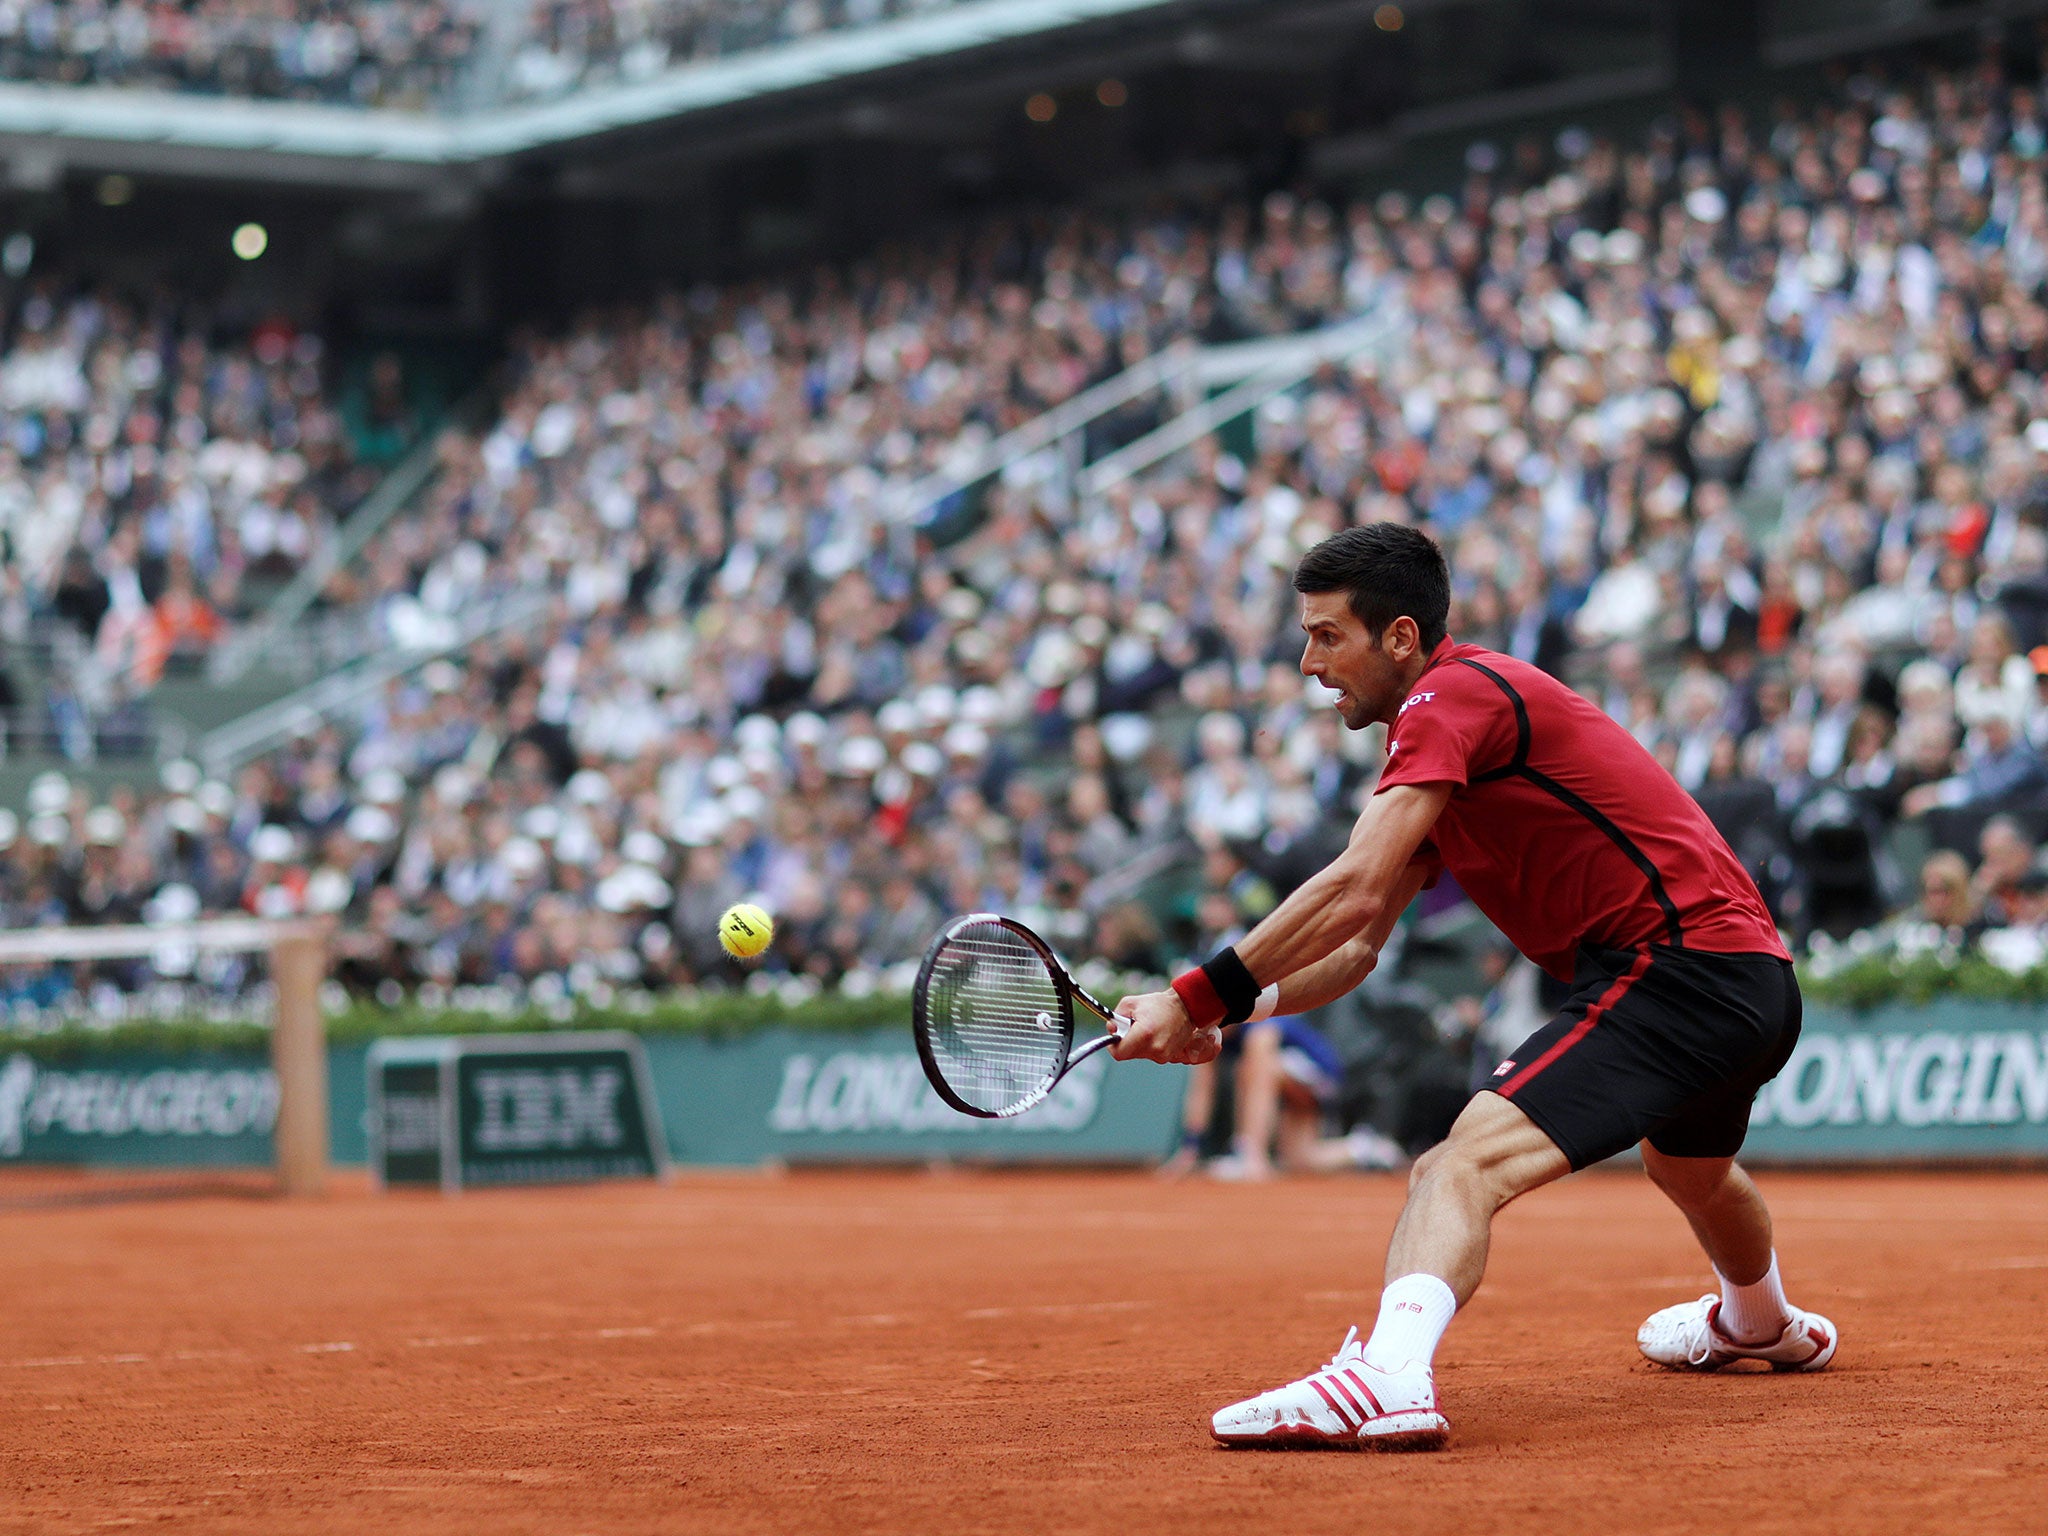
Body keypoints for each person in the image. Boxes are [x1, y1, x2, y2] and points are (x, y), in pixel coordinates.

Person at [1111, 524, 1833, 1451]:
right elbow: (1360, 946)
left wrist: (1193, 995)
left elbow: (1350, 884)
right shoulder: (1449, 736)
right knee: (1686, 1167)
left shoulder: (1454, 696)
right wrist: (1233, 1014)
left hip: (1678, 968)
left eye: (1328, 636)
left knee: (1455, 1165)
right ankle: (1760, 1322)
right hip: (1747, 979)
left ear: (1400, 637)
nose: (1306, 662)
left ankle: (1388, 1375)